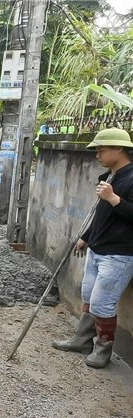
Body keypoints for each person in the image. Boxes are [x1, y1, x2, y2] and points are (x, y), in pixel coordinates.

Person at [52, 127, 133, 369]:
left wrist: (114, 199)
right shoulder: (108, 177)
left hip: (119, 253)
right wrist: (86, 236)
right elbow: (101, 214)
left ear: (119, 149)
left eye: (102, 150)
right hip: (97, 248)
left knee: (102, 303)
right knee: (88, 297)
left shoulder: (130, 178)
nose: (97, 155)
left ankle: (103, 348)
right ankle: (82, 339)